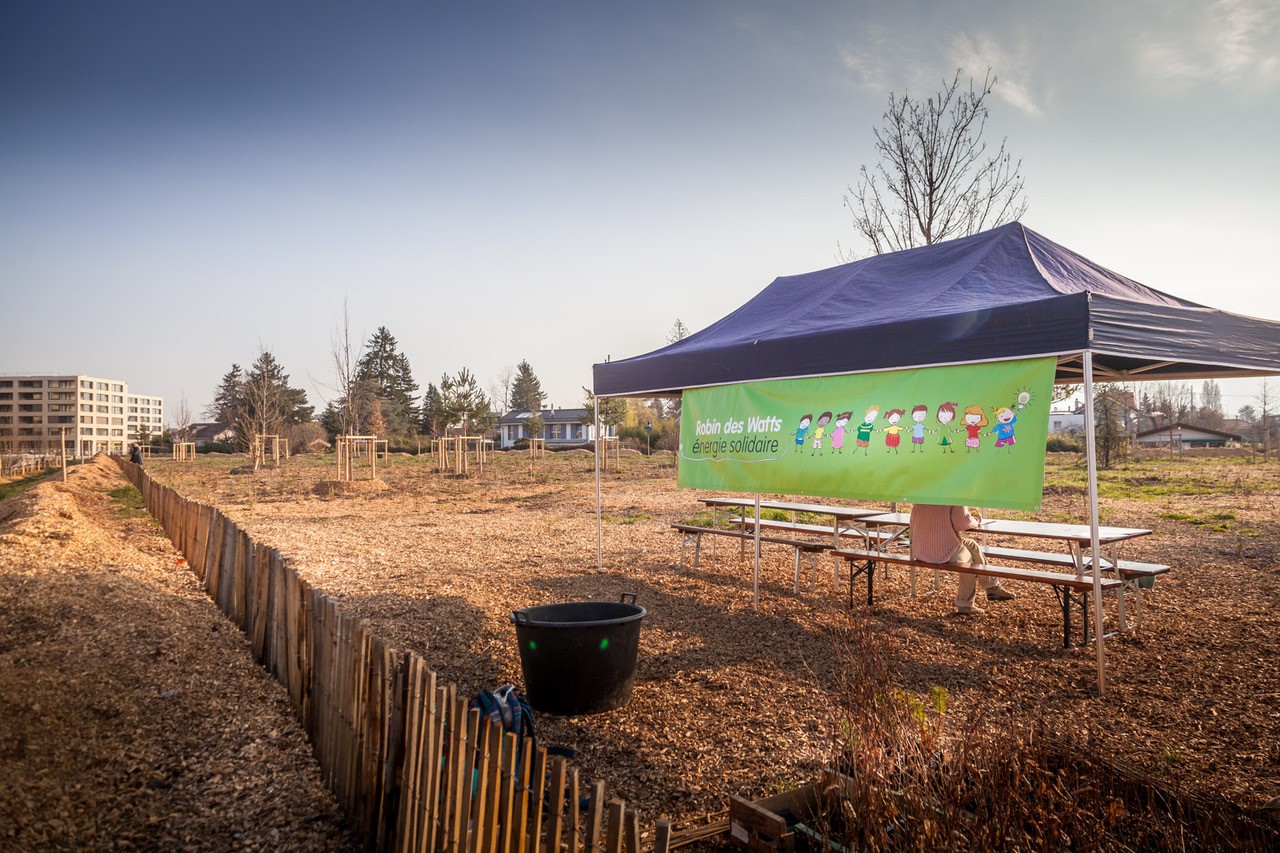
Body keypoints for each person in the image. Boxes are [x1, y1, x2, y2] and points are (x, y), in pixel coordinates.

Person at [909, 503, 1015, 615]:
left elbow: (912, 522)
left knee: (972, 545)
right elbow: (962, 523)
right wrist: (976, 520)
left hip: (921, 548)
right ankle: (965, 605)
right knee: (968, 562)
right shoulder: (956, 495)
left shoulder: (922, 495)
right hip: (941, 549)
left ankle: (992, 586)